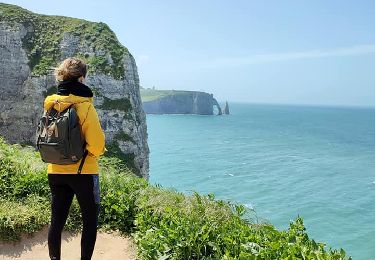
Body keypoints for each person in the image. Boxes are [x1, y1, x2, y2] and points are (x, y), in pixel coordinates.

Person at [44, 57, 105, 260]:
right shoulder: (86, 107)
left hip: (55, 171)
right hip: (83, 172)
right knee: (89, 222)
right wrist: (94, 154)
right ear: (81, 78)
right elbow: (96, 145)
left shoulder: (51, 104)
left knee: (56, 222)